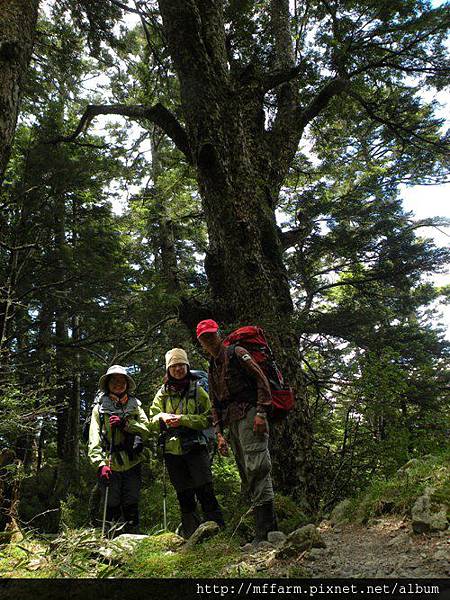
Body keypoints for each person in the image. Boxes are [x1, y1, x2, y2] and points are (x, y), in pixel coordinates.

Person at [196, 319, 278, 544]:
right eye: (204, 338)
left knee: (257, 466)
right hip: (232, 422)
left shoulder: (237, 352)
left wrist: (261, 412)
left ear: (218, 334)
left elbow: (261, 380)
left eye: (211, 335)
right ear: (200, 342)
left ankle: (266, 530)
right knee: (246, 471)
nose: (209, 341)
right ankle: (267, 529)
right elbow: (215, 402)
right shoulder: (213, 366)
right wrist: (219, 433)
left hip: (251, 414)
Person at [149, 348, 224, 538]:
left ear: (187, 366)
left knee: (205, 489)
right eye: (174, 366)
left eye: (181, 365)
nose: (178, 369)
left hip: (196, 446)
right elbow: (151, 419)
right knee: (184, 494)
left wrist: (183, 420)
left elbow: (209, 418)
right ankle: (193, 536)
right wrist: (163, 418)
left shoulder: (197, 390)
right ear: (168, 369)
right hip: (172, 450)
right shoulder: (163, 393)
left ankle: (218, 533)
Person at [88, 365, 149, 535]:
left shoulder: (136, 406)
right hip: (110, 463)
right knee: (111, 503)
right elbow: (94, 439)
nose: (118, 384)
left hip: (133, 461)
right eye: (114, 381)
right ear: (108, 383)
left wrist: (127, 425)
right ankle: (111, 542)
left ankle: (135, 542)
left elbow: (147, 429)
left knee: (132, 502)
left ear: (127, 384)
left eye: (122, 381)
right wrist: (100, 464)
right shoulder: (99, 409)